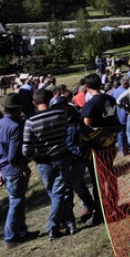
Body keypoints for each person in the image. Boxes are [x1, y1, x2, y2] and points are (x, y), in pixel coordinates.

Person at [23, 88, 76, 240]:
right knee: (59, 192)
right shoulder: (60, 114)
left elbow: (26, 149)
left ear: (34, 103)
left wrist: (36, 157)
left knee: (55, 193)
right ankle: (70, 222)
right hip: (63, 157)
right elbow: (66, 131)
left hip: (44, 161)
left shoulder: (31, 122)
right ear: (49, 99)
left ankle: (52, 226)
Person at [0, 93, 38, 249]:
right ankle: (10, 237)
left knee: (19, 201)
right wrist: (25, 169)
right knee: (16, 203)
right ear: (17, 109)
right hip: (14, 170)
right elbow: (13, 156)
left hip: (4, 169)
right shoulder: (16, 127)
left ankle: (22, 231)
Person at [50, 91, 95, 225]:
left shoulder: (79, 118)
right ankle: (68, 215)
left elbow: (88, 133)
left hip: (79, 156)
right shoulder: (57, 122)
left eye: (60, 108)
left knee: (75, 182)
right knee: (67, 186)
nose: (58, 111)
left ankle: (88, 204)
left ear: (67, 106)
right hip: (64, 157)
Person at [81, 73, 120, 225]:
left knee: (98, 180)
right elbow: (112, 117)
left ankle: (101, 211)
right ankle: (113, 203)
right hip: (110, 143)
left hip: (96, 148)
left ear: (87, 87)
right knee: (110, 175)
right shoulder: (109, 99)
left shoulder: (90, 104)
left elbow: (86, 125)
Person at [111, 78, 129, 156]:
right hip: (125, 115)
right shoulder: (125, 92)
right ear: (124, 84)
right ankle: (128, 147)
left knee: (120, 133)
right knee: (127, 132)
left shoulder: (114, 92)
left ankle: (122, 150)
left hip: (117, 116)